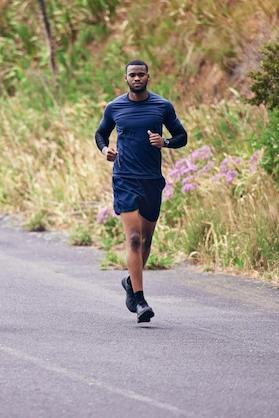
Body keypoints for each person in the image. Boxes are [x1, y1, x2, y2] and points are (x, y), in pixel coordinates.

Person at [94, 59, 187, 323]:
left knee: (146, 241)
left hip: (152, 180)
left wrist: (165, 141)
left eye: (141, 74)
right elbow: (101, 134)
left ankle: (129, 281)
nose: (137, 78)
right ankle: (141, 300)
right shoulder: (115, 107)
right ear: (126, 79)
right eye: (132, 75)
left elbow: (182, 136)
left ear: (148, 77)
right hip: (124, 178)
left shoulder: (162, 106)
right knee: (134, 238)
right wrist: (105, 150)